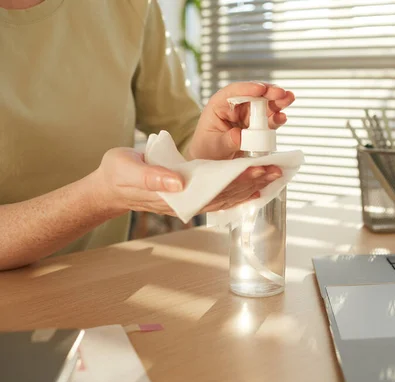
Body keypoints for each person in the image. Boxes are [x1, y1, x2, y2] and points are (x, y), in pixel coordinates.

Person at [0, 0, 295, 270]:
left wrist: (210, 151)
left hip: (98, 282)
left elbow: (182, 133)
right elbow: (104, 194)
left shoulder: (128, 6)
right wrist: (98, 197)